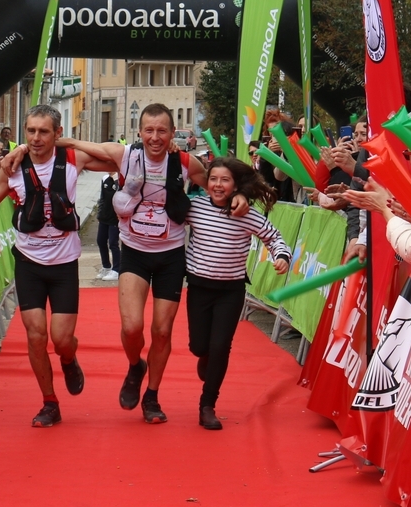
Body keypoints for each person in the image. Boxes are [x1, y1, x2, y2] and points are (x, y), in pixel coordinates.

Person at [28, 103, 247, 423]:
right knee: (132, 327)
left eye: (162, 131)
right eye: (149, 130)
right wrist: (32, 145)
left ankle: (152, 397)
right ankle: (135, 366)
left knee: (161, 331)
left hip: (171, 256)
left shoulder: (185, 161)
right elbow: (75, 144)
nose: (155, 137)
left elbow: (221, 183)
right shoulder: (125, 155)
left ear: (173, 134)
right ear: (139, 132)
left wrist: (239, 196)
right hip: (134, 252)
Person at [0, 105, 102, 427]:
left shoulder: (71, 159)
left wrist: (72, 144)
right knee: (36, 336)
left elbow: (116, 155)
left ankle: (68, 358)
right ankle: (50, 402)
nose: (36, 138)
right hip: (29, 263)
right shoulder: (13, 167)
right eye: (30, 132)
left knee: (62, 338)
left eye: (44, 132)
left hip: (64, 263)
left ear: (56, 134)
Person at [185, 158, 290, 430]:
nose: (218, 185)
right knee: (199, 346)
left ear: (235, 185)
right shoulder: (195, 207)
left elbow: (274, 237)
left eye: (225, 180)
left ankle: (207, 405)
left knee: (221, 347)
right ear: (206, 183)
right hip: (198, 287)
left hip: (230, 291)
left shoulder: (248, 214)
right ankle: (204, 356)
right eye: (213, 179)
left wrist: (281, 256)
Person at [96, 173, 121, 281]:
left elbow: (121, 195)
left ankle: (117, 269)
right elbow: (102, 197)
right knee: (101, 241)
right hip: (104, 217)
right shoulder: (104, 178)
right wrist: (100, 213)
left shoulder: (120, 179)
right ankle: (106, 266)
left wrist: (116, 180)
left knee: (113, 243)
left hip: (115, 218)